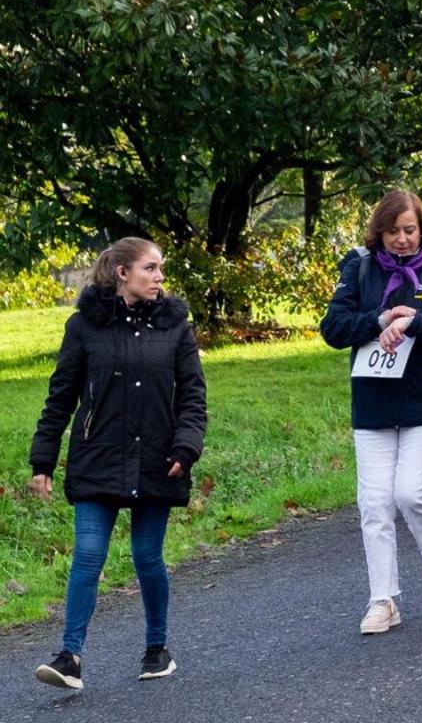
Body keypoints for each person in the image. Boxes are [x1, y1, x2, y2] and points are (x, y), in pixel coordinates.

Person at [30, 238, 207, 689]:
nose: (160, 277)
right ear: (122, 272)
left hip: (157, 460)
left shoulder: (175, 327)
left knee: (148, 556)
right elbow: (61, 397)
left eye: (161, 269)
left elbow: (192, 396)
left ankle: (156, 649)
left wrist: (185, 449)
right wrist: (43, 460)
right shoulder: (84, 327)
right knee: (88, 555)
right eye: (151, 268)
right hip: (98, 459)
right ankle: (69, 657)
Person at [319, 191, 422, 635]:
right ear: (378, 231)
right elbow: (333, 328)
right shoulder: (358, 267)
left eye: (409, 230)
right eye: (392, 231)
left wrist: (411, 322)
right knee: (374, 503)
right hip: (374, 403)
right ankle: (383, 599)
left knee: (410, 492)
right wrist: (379, 320)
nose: (401, 240)